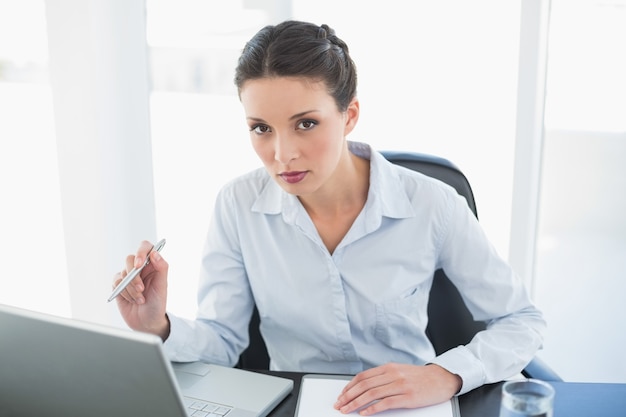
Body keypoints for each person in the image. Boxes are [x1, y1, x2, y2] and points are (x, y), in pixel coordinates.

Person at [113, 20, 546, 416]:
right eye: (261, 128)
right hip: (295, 404)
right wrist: (160, 326)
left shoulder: (433, 204)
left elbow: (522, 321)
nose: (282, 154)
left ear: (349, 115)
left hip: (407, 407)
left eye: (305, 123)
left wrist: (445, 374)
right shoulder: (236, 205)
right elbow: (223, 343)